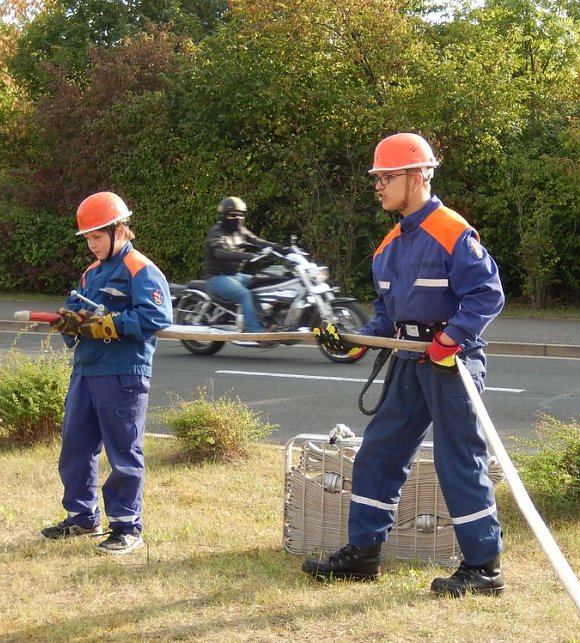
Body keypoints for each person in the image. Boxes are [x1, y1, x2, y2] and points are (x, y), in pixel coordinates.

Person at [303, 133, 507, 596]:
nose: (378, 186)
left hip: (451, 363)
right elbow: (383, 317)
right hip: (408, 362)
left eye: (387, 177)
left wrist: (452, 338)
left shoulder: (453, 231)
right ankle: (363, 553)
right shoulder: (388, 247)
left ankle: (484, 569)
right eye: (377, 178)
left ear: (417, 177)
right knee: (379, 452)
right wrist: (348, 342)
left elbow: (487, 294)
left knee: (460, 461)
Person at [41, 191, 172, 555]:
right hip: (86, 370)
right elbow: (74, 312)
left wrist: (111, 324)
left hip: (123, 373)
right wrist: (68, 322)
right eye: (89, 239)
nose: (93, 245)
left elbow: (158, 317)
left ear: (119, 230)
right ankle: (82, 517)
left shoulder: (140, 269)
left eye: (97, 237)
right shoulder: (91, 273)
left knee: (123, 451)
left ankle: (127, 525)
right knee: (76, 448)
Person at [202, 196, 288, 334]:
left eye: (241, 214)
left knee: (261, 282)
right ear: (223, 216)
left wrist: (283, 249)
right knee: (244, 295)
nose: (238, 218)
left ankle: (267, 321)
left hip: (235, 276)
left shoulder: (240, 231)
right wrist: (246, 256)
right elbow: (220, 252)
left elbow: (258, 241)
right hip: (217, 278)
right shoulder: (216, 232)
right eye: (233, 215)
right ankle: (254, 330)